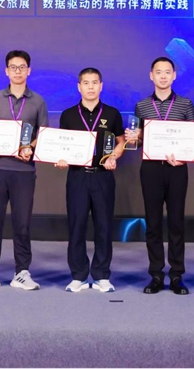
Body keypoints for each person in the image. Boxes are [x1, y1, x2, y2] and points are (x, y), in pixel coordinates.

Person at [0, 50, 49, 292]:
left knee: (22, 223)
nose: (17, 71)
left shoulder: (38, 101)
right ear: (6, 71)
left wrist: (30, 147)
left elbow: (43, 133)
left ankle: (22, 272)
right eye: (13, 67)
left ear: (29, 70)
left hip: (23, 171)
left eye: (22, 67)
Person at [125, 57, 194, 295]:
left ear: (174, 75)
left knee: (176, 222)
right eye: (158, 72)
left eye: (167, 72)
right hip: (151, 168)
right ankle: (156, 274)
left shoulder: (185, 104)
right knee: (153, 223)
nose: (163, 76)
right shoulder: (142, 106)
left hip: (177, 168)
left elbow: (191, 138)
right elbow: (138, 141)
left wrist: (184, 157)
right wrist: (134, 138)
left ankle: (176, 275)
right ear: (151, 76)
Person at [56, 68, 125, 293]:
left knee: (104, 226)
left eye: (95, 82)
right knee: (76, 226)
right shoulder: (68, 115)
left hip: (103, 176)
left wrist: (114, 156)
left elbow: (121, 141)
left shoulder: (112, 113)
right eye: (86, 83)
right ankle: (78, 276)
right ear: (79, 87)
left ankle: (102, 275)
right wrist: (61, 158)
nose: (91, 87)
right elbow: (62, 144)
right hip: (77, 176)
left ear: (101, 86)